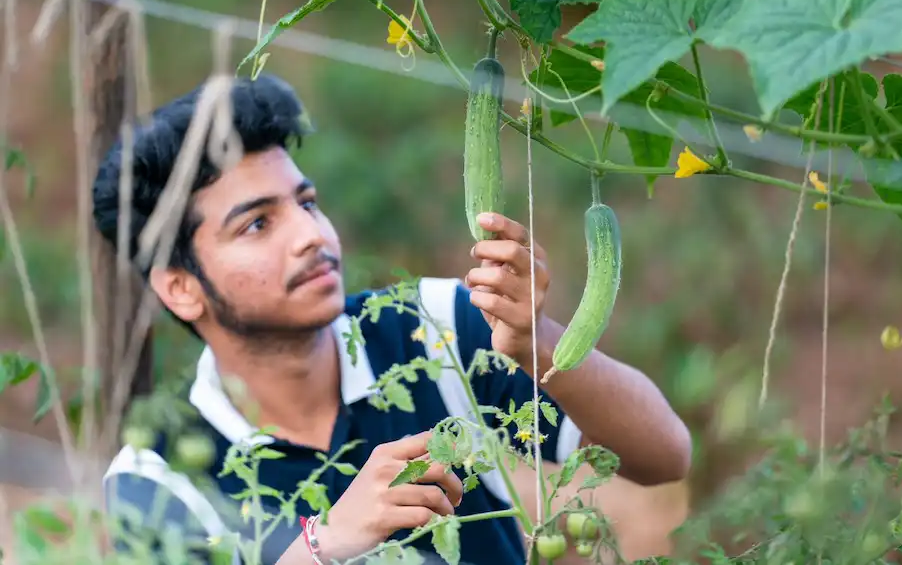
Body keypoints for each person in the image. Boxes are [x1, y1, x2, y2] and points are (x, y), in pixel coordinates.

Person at [92, 73, 692, 565]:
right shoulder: (158, 479)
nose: (311, 235)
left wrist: (538, 346)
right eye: (257, 224)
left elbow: (665, 457)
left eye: (306, 203)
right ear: (181, 287)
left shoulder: (432, 327)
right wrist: (323, 545)